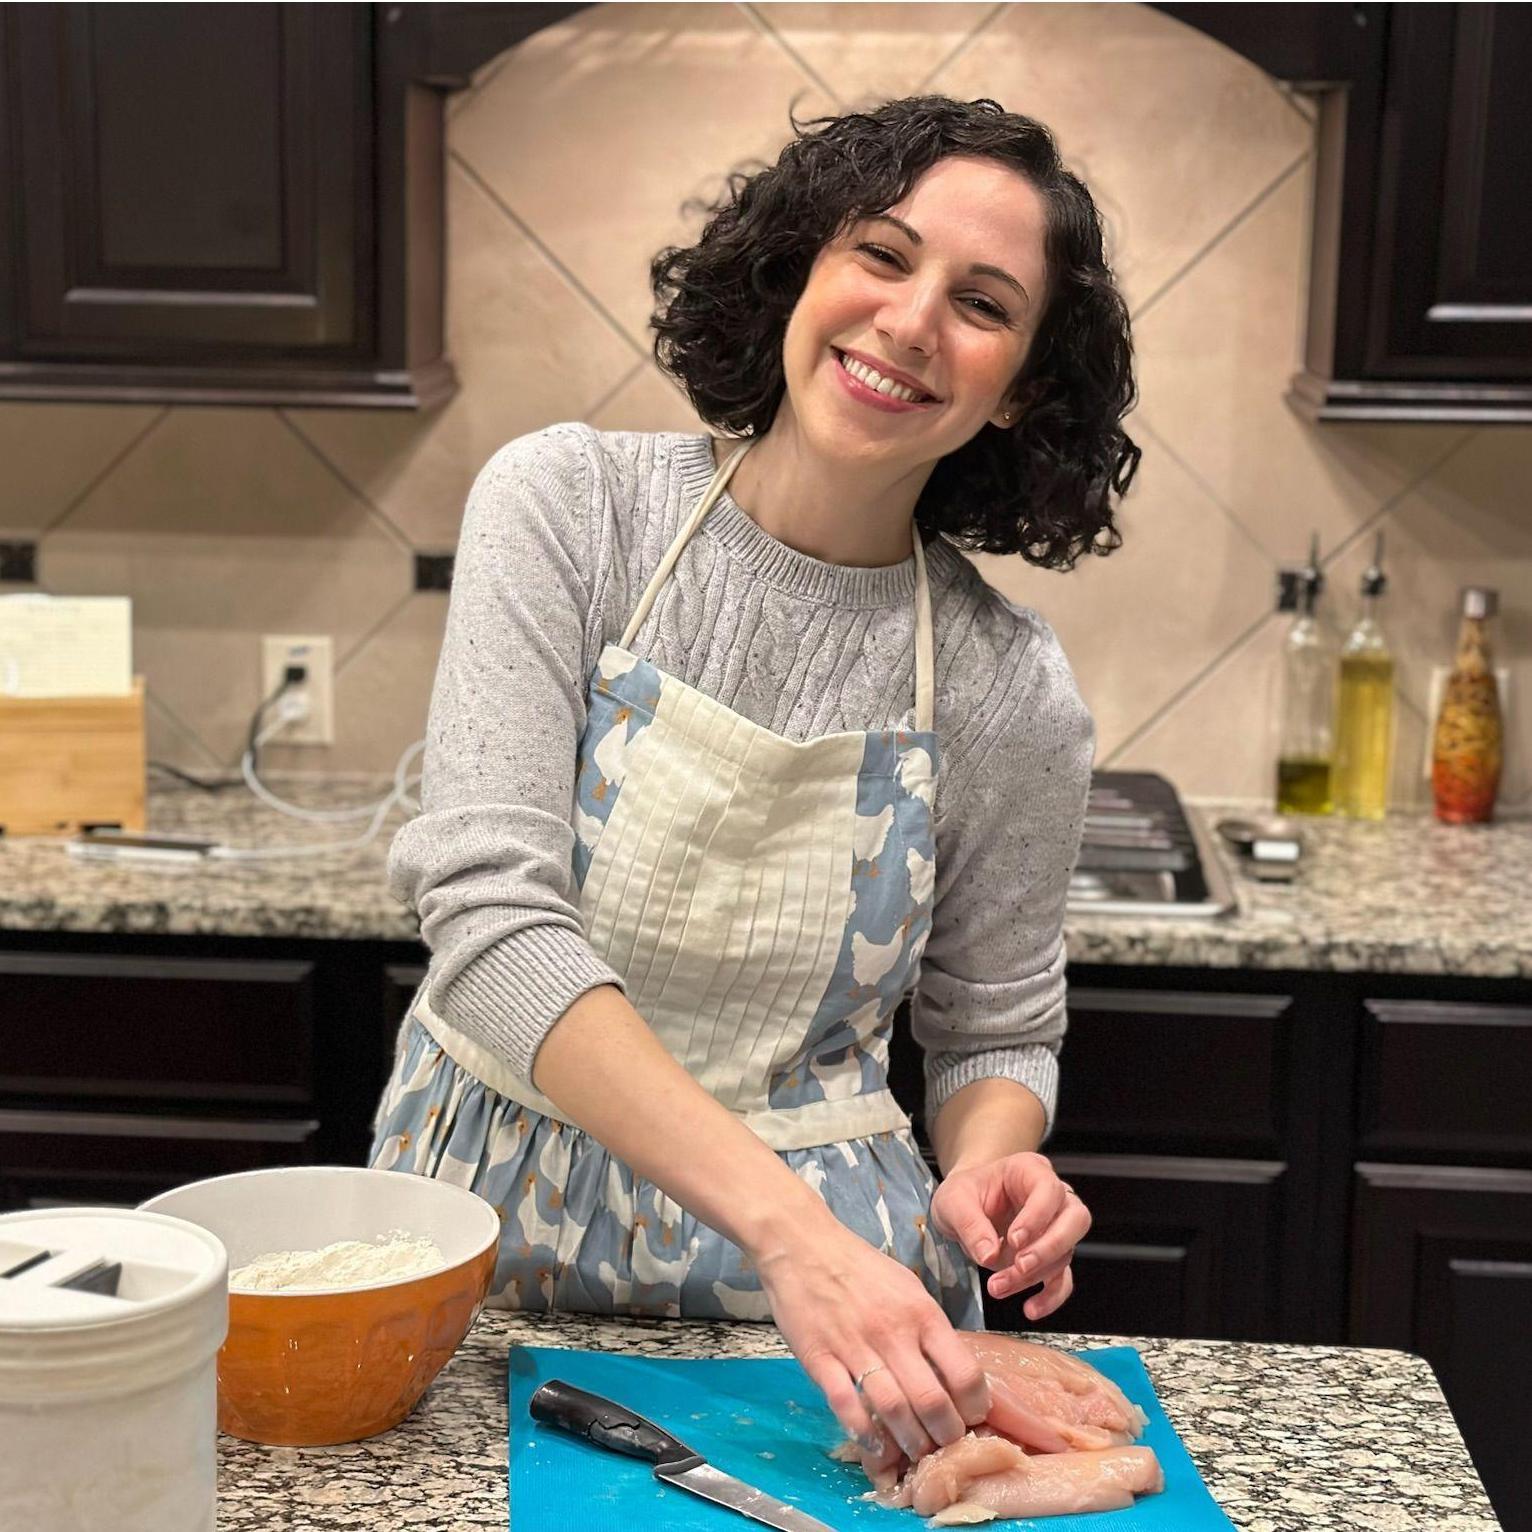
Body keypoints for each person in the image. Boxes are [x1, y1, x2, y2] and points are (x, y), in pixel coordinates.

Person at [371, 94, 1140, 1468]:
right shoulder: (569, 509)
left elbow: (995, 1029)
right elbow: (489, 922)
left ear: (1021, 385)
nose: (910, 323)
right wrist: (787, 1231)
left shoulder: (1009, 686)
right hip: (487, 1219)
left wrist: (990, 1166)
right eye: (881, 256)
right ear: (797, 268)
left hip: (833, 1313)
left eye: (981, 303)